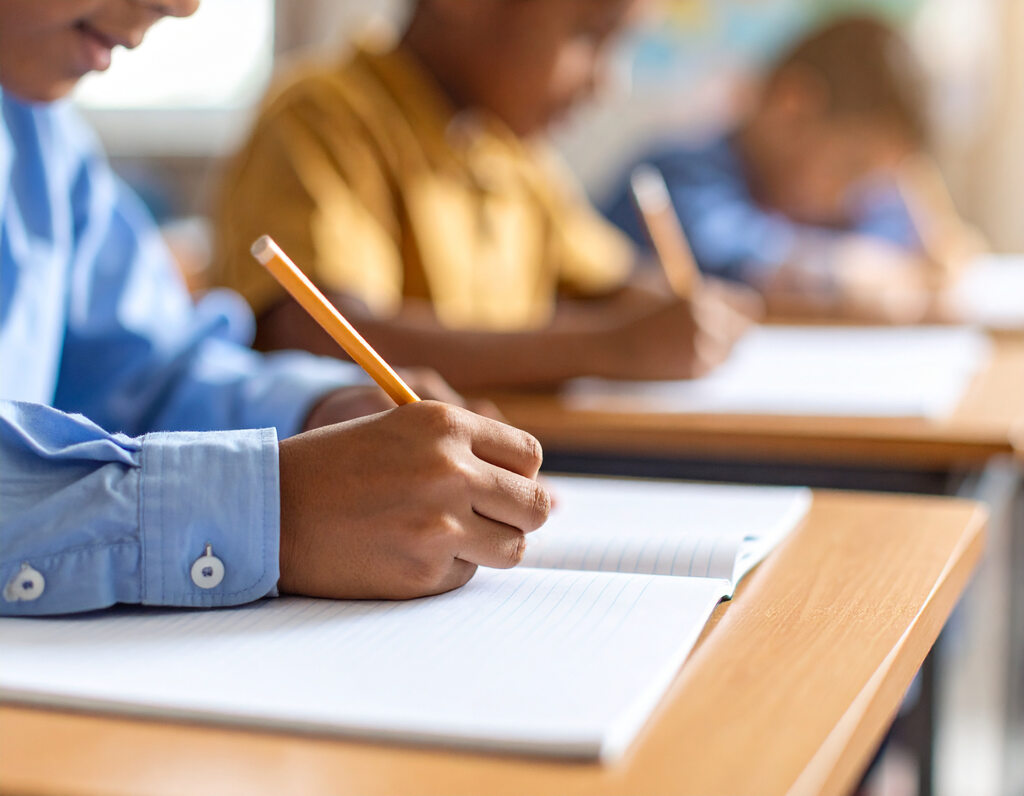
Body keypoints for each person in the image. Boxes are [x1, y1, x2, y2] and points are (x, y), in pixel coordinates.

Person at [0, 0, 550, 617]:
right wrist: (274, 514)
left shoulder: (37, 136)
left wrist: (322, 408)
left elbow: (144, 376)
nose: (183, 6)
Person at [211, 0, 759, 391]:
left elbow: (608, 288)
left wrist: (680, 313)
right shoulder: (324, 116)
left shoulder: (509, 150)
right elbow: (321, 336)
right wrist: (605, 347)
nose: (606, 83)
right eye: (591, 35)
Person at [603, 16, 983, 322]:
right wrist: (841, 274)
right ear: (792, 108)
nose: (853, 195)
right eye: (851, 167)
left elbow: (902, 244)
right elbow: (727, 260)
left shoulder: (846, 207)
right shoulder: (677, 174)